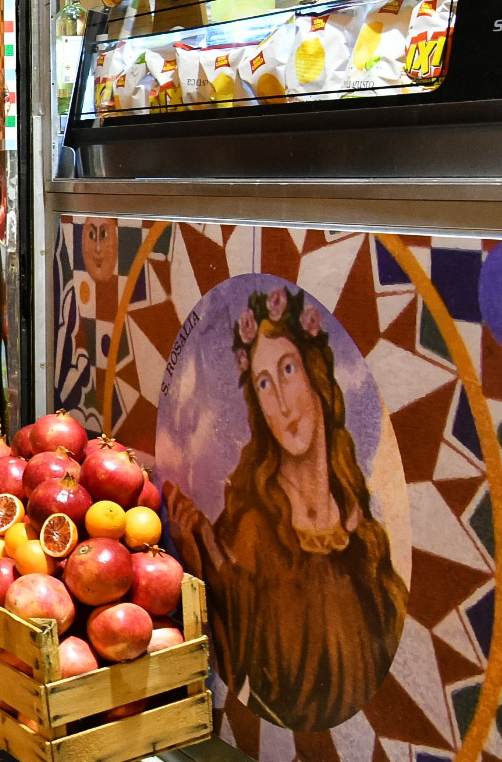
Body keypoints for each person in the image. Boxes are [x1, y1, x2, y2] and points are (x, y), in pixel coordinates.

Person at [165, 286, 408, 732]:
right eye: (262, 383)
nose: (279, 400)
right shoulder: (253, 524)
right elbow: (234, 639)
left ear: (316, 374)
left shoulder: (359, 518)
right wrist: (194, 547)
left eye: (288, 369)